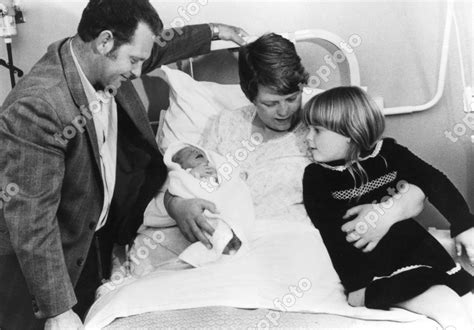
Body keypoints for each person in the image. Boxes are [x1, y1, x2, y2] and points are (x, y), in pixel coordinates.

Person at [0, 0, 247, 328]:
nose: (138, 71)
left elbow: (154, 49)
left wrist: (217, 31)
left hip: (92, 237)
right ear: (103, 41)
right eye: (134, 60)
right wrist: (58, 310)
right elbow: (32, 221)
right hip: (44, 265)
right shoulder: (39, 107)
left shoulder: (103, 58)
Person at [165, 33, 427, 267]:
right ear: (249, 95)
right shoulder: (224, 125)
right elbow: (184, 178)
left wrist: (389, 213)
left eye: (292, 98)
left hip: (297, 248)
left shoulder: (323, 127)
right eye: (270, 103)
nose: (284, 111)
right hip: (227, 246)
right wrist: (177, 205)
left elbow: (408, 179)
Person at [302, 86, 473, 328]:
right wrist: (357, 286)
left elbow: (435, 181)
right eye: (307, 129)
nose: (307, 138)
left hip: (418, 249)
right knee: (447, 308)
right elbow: (330, 233)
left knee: (467, 298)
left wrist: (464, 225)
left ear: (350, 132)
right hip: (377, 266)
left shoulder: (389, 154)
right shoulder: (316, 177)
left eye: (316, 130)